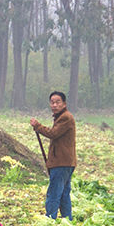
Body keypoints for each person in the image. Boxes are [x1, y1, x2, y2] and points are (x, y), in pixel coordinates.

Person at [30, 91, 76, 219]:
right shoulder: (61, 117)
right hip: (65, 162)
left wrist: (38, 126)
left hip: (61, 163)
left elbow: (53, 133)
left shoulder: (65, 117)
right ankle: (68, 219)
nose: (54, 105)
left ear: (64, 104)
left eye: (58, 102)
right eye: (52, 102)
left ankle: (50, 220)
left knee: (54, 194)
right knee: (63, 194)